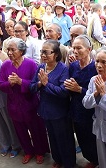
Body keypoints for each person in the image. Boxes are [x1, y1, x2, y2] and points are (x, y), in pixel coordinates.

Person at [0, 37, 50, 164]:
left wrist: (21, 82)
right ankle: (28, 151)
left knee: (36, 129)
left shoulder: (31, 64)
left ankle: (39, 152)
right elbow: (0, 84)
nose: (9, 53)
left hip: (30, 103)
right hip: (14, 104)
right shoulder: (5, 65)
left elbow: (36, 84)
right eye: (8, 50)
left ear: (21, 51)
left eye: (12, 50)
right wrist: (9, 83)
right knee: (20, 131)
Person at [30, 40, 76, 168]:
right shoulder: (40, 67)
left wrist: (46, 84)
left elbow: (64, 92)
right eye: (41, 52)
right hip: (45, 111)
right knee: (52, 137)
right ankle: (58, 160)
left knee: (64, 139)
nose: (43, 55)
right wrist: (39, 84)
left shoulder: (63, 69)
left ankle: (68, 163)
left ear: (55, 54)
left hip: (60, 112)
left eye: (46, 52)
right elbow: (32, 87)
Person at [64, 35, 99, 168]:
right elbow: (69, 86)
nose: (75, 51)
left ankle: (97, 160)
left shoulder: (95, 67)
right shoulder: (73, 66)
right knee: (81, 136)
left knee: (92, 136)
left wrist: (79, 89)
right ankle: (90, 158)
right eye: (74, 48)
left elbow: (99, 92)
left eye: (79, 48)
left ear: (89, 49)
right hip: (76, 107)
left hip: (91, 109)